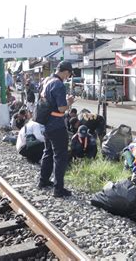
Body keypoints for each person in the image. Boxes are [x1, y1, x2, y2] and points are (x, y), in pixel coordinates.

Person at [38, 61, 75, 198]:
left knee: (47, 152)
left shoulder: (47, 81)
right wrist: (69, 102)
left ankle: (43, 181)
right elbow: (61, 108)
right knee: (60, 156)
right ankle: (58, 189)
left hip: (46, 122)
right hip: (57, 124)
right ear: (66, 72)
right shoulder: (59, 85)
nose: (68, 77)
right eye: (69, 74)